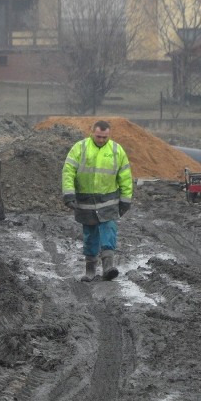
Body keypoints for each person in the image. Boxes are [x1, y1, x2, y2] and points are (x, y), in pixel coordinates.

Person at [61, 120, 133, 282]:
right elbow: (68, 172)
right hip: (85, 200)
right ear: (92, 132)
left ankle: (108, 266)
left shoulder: (116, 150)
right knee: (90, 234)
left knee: (109, 229)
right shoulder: (79, 148)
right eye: (99, 136)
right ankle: (90, 269)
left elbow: (125, 177)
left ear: (109, 134)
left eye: (105, 137)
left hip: (108, 200)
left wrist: (126, 200)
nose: (101, 140)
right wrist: (69, 194)